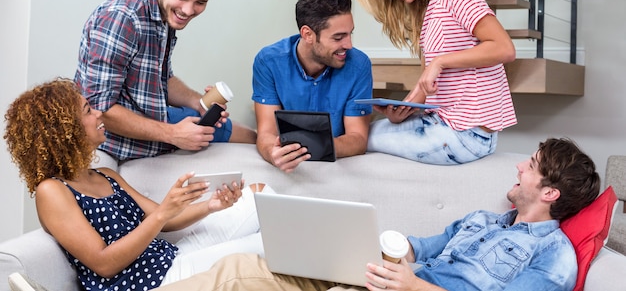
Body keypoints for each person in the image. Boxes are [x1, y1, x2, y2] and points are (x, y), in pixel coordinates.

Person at [152, 137, 601, 291]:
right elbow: (420, 248)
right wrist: (379, 243)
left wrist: (414, 286)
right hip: (385, 278)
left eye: (532, 165)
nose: (520, 165)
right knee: (242, 269)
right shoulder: (482, 220)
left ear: (549, 192)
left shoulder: (553, 253)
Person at [3, 79, 271, 291]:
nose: (99, 114)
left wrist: (212, 206)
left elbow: (165, 221)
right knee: (267, 248)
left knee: (263, 197)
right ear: (65, 130)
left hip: (169, 257)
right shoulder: (52, 190)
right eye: (88, 110)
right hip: (147, 282)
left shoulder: (106, 175)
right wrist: (164, 212)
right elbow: (104, 264)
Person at [74, 0, 256, 166]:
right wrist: (173, 134)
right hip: (117, 142)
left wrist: (197, 102)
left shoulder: (162, 12)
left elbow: (161, 78)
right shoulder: (123, 19)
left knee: (251, 136)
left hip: (153, 113)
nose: (188, 10)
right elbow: (101, 109)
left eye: (200, 2)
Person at [350, 0, 517, 165]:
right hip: (440, 123)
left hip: (466, 135)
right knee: (357, 134)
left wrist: (439, 62)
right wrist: (403, 110)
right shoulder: (428, 6)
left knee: (355, 141)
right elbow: (430, 84)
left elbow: (504, 48)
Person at [252, 0, 373, 172]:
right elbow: (266, 132)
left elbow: (357, 138)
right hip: (289, 160)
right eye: (338, 37)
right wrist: (272, 152)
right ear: (308, 34)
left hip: (335, 160)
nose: (349, 44)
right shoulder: (269, 61)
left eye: (350, 34)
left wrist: (314, 147)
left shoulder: (359, 65)